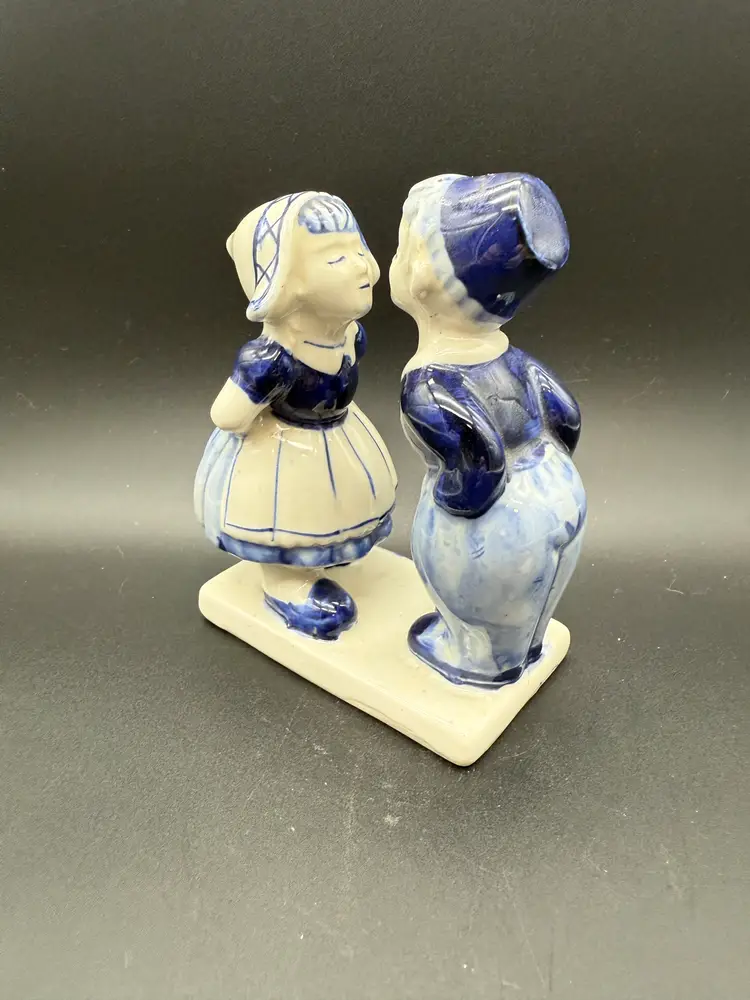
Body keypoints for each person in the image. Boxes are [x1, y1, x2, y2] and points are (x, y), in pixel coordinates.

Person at [391, 173, 586, 686]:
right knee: (536, 594)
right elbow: (567, 417)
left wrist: (452, 502)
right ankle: (528, 646)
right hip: (559, 491)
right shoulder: (516, 360)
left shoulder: (429, 380)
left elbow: (478, 466)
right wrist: (548, 476)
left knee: (474, 591)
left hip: (501, 525)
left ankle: (479, 661)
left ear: (423, 277)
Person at [195, 192, 397, 640]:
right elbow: (227, 415)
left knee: (332, 508)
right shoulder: (271, 359)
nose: (360, 266)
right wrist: (254, 395)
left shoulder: (350, 335)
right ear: (286, 282)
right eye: (336, 258)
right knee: (288, 524)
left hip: (336, 435)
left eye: (358, 250)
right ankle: (286, 582)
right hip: (282, 456)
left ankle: (327, 549)